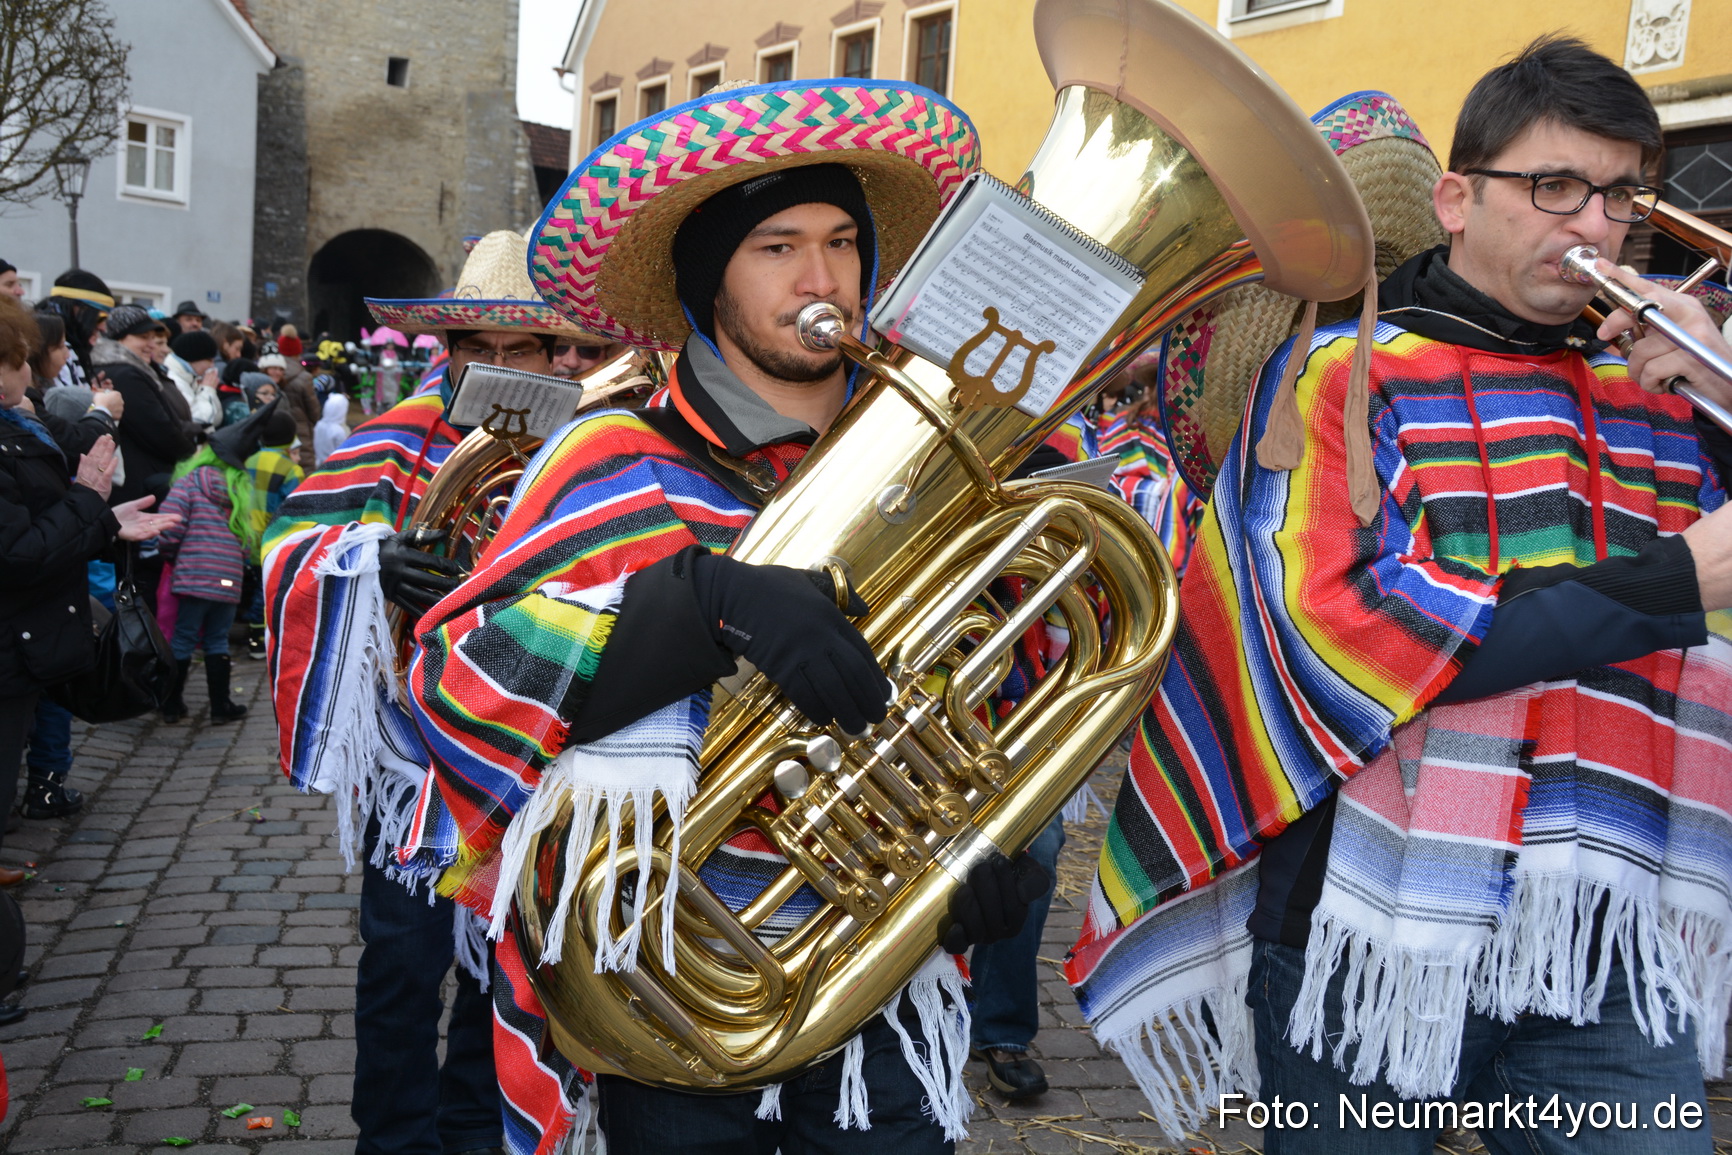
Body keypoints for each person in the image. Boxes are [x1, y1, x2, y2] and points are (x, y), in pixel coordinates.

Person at [1068, 40, 1732, 1155]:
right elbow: (1358, 632)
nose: (1593, 226)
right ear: (1456, 199)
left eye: (1620, 195)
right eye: (1554, 186)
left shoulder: (1657, 383)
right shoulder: (1335, 376)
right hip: (1356, 920)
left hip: (1605, 919)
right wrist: (1675, 582)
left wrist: (1716, 397)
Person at [397, 80, 1039, 1155]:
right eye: (775, 248)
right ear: (709, 283)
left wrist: (994, 847)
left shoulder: (937, 475)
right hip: (666, 998)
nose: (822, 278)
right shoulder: (609, 459)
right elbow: (459, 685)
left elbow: (999, 698)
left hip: (882, 987)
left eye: (840, 242)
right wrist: (694, 604)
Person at [262, 229, 609, 1155]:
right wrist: (370, 563)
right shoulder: (392, 439)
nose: (498, 368)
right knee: (404, 968)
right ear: (448, 352)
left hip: (534, 756)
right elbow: (286, 551)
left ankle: (473, 1130)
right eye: (478, 350)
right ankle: (393, 1139)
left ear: (553, 355)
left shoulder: (591, 447)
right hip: (411, 760)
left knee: (510, 964)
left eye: (521, 350)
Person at [0, 292, 178, 886]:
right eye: (20, 359)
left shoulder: (16, 428)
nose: (30, 374)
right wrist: (88, 499)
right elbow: (22, 554)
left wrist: (104, 520)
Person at [153, 406, 276, 724]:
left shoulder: (190, 483)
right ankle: (221, 706)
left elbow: (170, 527)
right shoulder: (238, 491)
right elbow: (246, 542)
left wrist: (171, 556)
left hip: (193, 576)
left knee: (182, 637)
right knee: (217, 639)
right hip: (227, 580)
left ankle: (171, 703)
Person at [91, 306, 197, 506]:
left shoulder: (134, 369)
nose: (151, 345)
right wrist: (192, 455)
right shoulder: (125, 374)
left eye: (152, 338)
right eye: (143, 337)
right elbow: (158, 428)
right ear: (121, 338)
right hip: (140, 483)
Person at [241, 408, 301, 659]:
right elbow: (295, 509)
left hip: (242, 533)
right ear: (290, 438)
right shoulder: (290, 469)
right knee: (263, 591)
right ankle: (256, 638)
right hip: (270, 537)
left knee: (252, 583)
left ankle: (250, 631)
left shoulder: (247, 461)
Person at [39, 270, 114, 389]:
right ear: (76, 308)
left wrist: (88, 394)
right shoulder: (52, 346)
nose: (103, 328)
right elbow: (61, 404)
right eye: (100, 318)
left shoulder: (64, 346)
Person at [260, 350, 320, 469]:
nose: (277, 372)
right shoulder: (258, 393)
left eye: (281, 369)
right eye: (273, 368)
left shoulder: (281, 394)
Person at [165, 330, 224, 433]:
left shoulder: (191, 378)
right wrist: (207, 390)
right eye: (209, 360)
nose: (212, 366)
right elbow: (200, 420)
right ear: (194, 358)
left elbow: (216, 419)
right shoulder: (175, 381)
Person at [312, 391, 348, 466]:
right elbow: (342, 454)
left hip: (318, 465)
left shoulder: (319, 425)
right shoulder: (339, 431)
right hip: (333, 467)